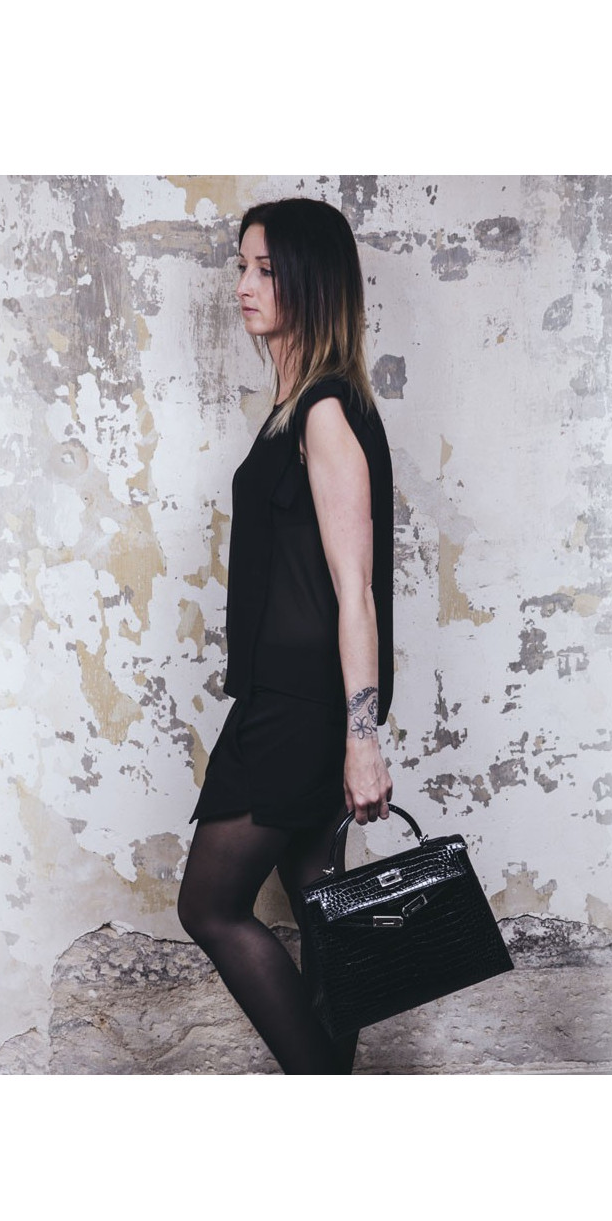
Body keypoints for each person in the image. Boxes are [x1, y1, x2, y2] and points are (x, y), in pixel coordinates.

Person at [176, 197, 396, 1073]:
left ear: (310, 281)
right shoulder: (293, 406)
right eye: (242, 266)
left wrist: (362, 741)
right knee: (320, 904)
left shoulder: (325, 414)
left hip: (301, 710)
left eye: (265, 270)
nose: (244, 285)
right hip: (295, 699)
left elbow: (357, 593)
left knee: (210, 906)